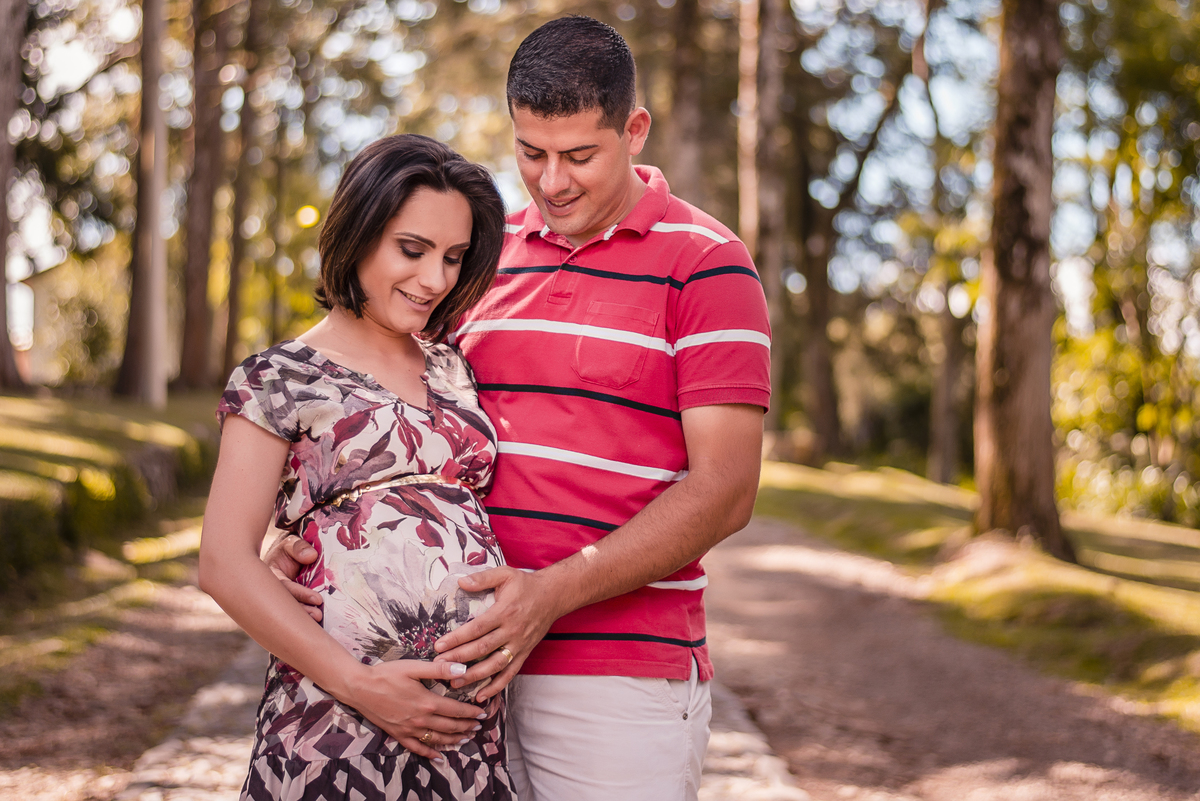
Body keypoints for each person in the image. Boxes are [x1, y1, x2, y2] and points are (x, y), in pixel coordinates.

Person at [273, 15, 771, 800]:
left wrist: (549, 594)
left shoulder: (708, 266)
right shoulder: (477, 260)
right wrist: (296, 534)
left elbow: (727, 490)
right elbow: (385, 411)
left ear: (634, 130)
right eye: (531, 152)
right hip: (455, 669)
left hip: (617, 680)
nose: (552, 181)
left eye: (580, 156)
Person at [198, 134, 514, 800]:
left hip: (465, 738)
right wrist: (363, 684)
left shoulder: (456, 368)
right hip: (334, 722)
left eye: (453, 257)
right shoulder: (277, 378)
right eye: (412, 249)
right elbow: (223, 562)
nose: (435, 280)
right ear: (359, 232)